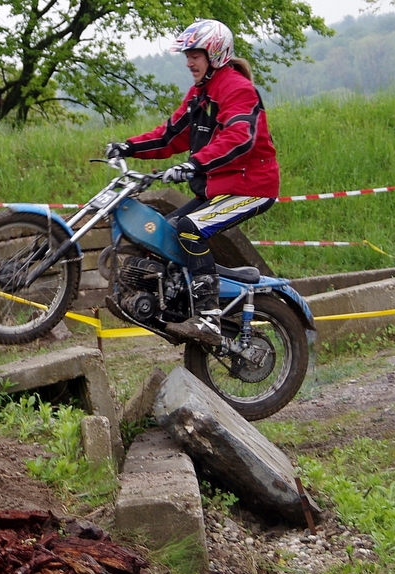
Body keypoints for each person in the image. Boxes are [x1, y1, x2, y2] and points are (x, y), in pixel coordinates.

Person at [105, 19, 279, 346]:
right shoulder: (201, 94)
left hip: (252, 187)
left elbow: (238, 137)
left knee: (189, 228)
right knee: (164, 234)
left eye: (195, 55)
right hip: (219, 188)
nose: (189, 63)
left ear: (215, 55)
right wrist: (128, 146)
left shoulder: (237, 89)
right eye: (187, 56)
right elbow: (170, 136)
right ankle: (175, 308)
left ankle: (209, 319)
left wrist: (194, 163)